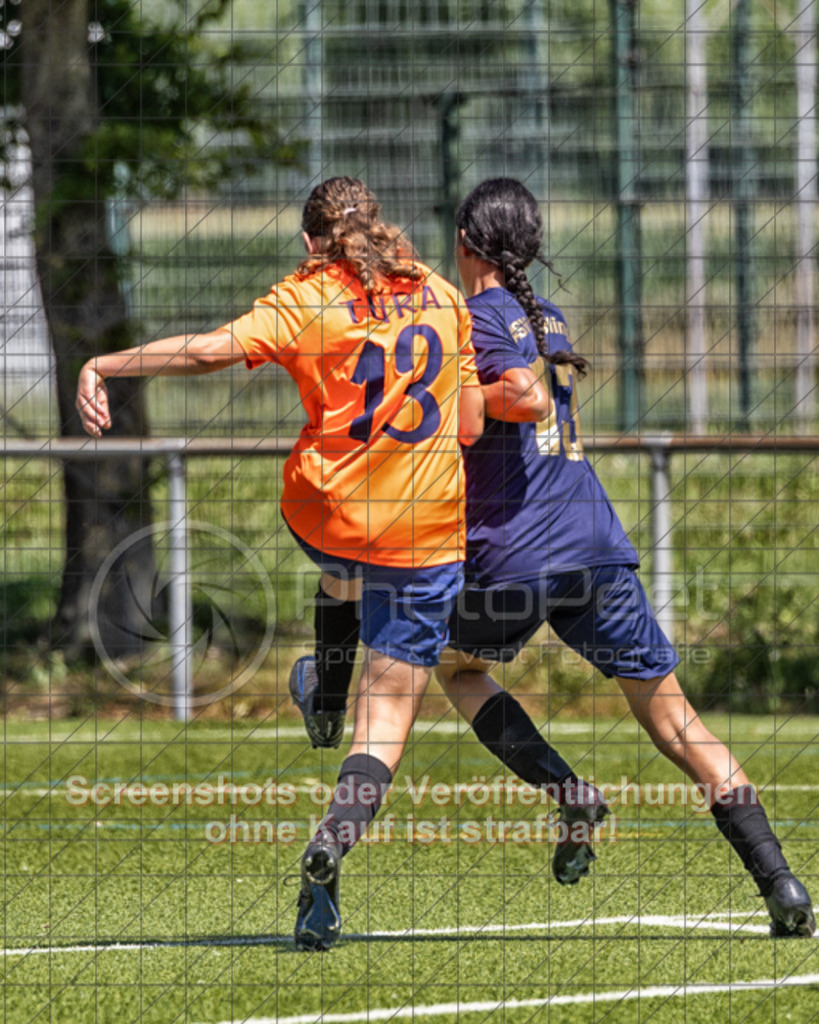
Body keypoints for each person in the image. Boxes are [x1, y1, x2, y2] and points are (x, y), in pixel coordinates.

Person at [292, 177, 815, 940]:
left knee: (456, 670)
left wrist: (458, 404)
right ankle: (782, 884)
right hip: (594, 545)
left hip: (514, 556)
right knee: (677, 723)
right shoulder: (545, 315)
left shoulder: (474, 317)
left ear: (466, 243)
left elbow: (521, 397)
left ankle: (566, 790)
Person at [75, 176, 484, 952]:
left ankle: (320, 690)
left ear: (309, 242)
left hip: (328, 513)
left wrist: (105, 364)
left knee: (342, 566)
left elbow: (209, 351)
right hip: (424, 531)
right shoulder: (437, 292)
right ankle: (333, 831)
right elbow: (467, 424)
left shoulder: (306, 297)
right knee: (387, 717)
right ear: (381, 226)